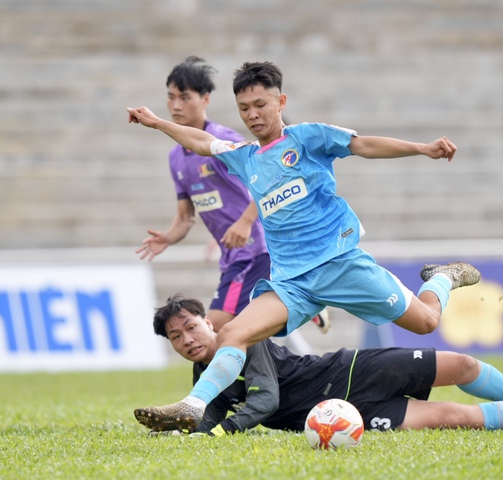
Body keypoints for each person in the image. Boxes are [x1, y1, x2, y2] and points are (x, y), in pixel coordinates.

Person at [127, 60, 482, 431]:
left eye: (260, 105)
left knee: (425, 322)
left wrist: (422, 148)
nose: (252, 115)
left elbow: (364, 145)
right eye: (244, 109)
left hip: (341, 265)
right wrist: (157, 123)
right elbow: (201, 142)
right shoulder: (245, 155)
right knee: (232, 332)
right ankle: (194, 405)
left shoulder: (309, 137)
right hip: (292, 284)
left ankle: (443, 277)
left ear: (280, 101)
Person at [134, 295, 503, 435]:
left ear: (209, 324)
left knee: (460, 364)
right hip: (343, 414)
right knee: (454, 418)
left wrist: (221, 432)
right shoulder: (204, 378)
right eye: (176, 337)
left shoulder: (243, 340)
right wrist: (188, 430)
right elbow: (212, 410)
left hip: (351, 371)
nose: (187, 339)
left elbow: (268, 398)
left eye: (191, 327)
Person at [135, 56, 330, 334]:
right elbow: (185, 217)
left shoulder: (222, 141)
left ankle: (300, 301)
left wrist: (245, 221)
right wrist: (168, 237)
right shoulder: (175, 157)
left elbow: (270, 180)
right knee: (250, 333)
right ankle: (299, 301)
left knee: (215, 329)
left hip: (254, 250)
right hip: (233, 257)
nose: (176, 105)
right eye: (171, 97)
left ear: (205, 99)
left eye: (184, 97)